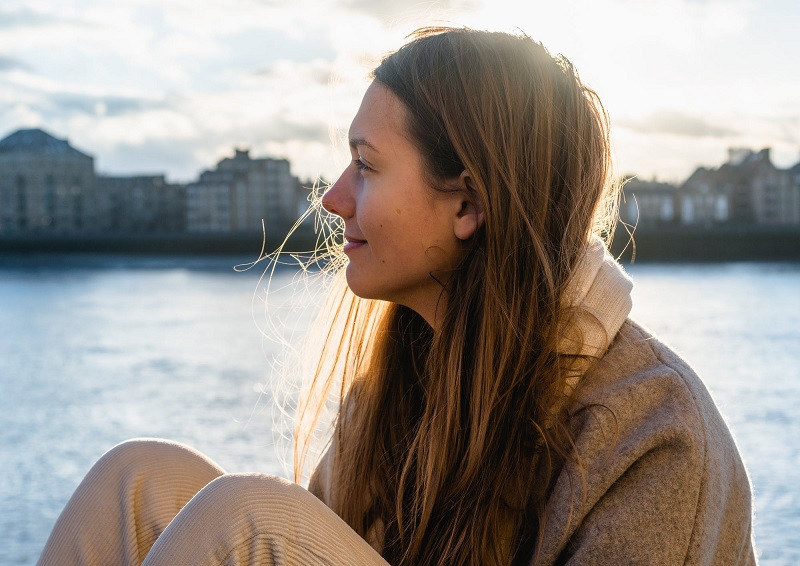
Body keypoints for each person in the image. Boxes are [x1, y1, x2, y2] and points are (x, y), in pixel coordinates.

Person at [38, 26, 757, 565]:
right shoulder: (403, 379)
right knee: (134, 481)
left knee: (249, 520)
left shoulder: (655, 434)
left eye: (366, 166)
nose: (333, 197)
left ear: (468, 205)